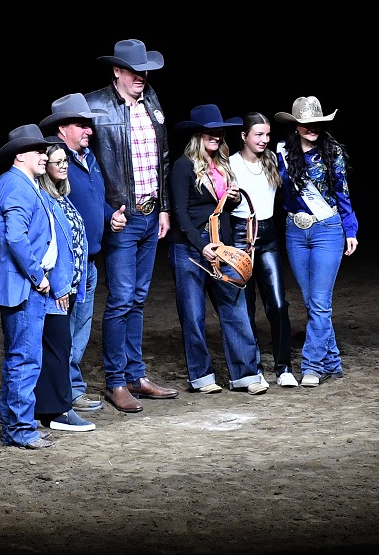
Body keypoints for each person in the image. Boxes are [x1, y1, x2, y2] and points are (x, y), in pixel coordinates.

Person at [84, 38, 179, 413]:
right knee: (121, 299)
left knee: (138, 299)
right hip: (122, 218)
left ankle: (136, 375)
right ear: (117, 71)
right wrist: (108, 212)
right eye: (134, 70)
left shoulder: (152, 101)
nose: (141, 77)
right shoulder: (96, 106)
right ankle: (116, 381)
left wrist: (165, 209)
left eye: (145, 71)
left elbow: (164, 159)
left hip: (150, 213)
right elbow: (85, 167)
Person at [168, 104, 268, 396]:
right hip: (189, 245)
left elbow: (222, 208)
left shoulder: (223, 165)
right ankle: (201, 375)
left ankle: (245, 374)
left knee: (235, 308)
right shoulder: (183, 165)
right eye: (210, 131)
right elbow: (180, 212)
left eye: (219, 131)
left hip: (221, 243)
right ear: (198, 135)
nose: (216, 135)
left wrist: (234, 200)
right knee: (193, 314)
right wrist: (201, 246)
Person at [39, 93, 125, 413]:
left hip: (88, 260)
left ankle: (71, 387)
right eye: (81, 124)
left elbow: (93, 200)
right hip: (66, 263)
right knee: (64, 330)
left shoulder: (87, 158)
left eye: (89, 125)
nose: (89, 130)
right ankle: (64, 392)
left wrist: (108, 215)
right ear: (63, 129)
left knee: (80, 328)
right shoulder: (55, 162)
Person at [0, 124, 64, 450]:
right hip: (24, 287)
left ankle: (18, 426)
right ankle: (20, 430)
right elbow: (15, 237)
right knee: (25, 359)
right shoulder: (16, 186)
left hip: (21, 285)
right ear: (20, 155)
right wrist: (38, 276)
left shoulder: (18, 182)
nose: (44, 156)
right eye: (39, 151)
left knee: (21, 357)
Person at [274, 96, 358, 388]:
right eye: (306, 124)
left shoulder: (332, 152)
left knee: (320, 303)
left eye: (317, 124)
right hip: (295, 231)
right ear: (296, 125)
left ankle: (312, 366)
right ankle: (332, 360)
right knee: (312, 303)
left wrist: (351, 230)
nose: (312, 128)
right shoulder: (281, 153)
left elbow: (343, 193)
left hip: (327, 229)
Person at [229, 112, 295, 388]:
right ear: (244, 136)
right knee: (246, 307)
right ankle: (252, 368)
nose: (264, 140)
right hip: (240, 235)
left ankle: (284, 367)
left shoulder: (272, 160)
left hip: (268, 236)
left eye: (267, 134)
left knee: (278, 304)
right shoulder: (230, 164)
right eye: (258, 134)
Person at [33, 142, 96, 433]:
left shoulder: (61, 197)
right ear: (44, 166)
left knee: (58, 345)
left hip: (69, 287)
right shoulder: (44, 199)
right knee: (58, 346)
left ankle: (48, 408)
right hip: (55, 290)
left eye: (65, 162)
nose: (62, 166)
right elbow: (50, 249)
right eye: (56, 162)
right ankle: (59, 410)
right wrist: (60, 287)